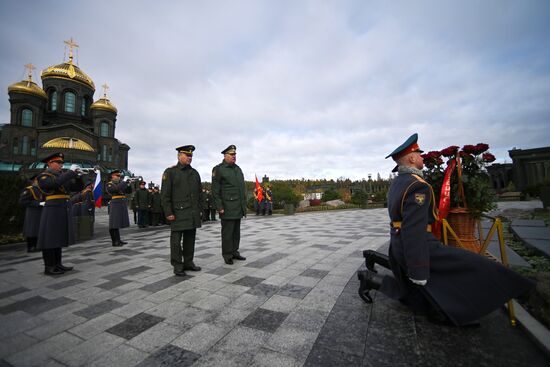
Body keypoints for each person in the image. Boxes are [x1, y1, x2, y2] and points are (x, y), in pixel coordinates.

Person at [357, 133, 534, 326]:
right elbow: (413, 231)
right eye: (419, 154)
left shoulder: (398, 183)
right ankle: (511, 290)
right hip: (418, 245)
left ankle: (372, 280)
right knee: (472, 264)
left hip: (400, 243)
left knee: (414, 297)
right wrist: (418, 270)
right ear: (412, 158)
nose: (422, 157)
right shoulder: (417, 187)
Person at [35, 152, 84, 275]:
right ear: (49, 163)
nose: (61, 165)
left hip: (62, 208)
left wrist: (78, 177)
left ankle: (58, 264)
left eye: (62, 163)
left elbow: (76, 188)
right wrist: (70, 173)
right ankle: (49, 266)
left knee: (58, 237)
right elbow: (53, 184)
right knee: (50, 238)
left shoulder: (62, 176)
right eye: (58, 162)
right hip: (52, 209)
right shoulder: (44, 176)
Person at [161, 145, 203, 276]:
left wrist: (199, 210)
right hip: (177, 213)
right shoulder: (170, 172)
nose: (190, 158)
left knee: (190, 240)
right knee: (176, 242)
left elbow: (199, 194)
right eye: (187, 155)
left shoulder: (195, 173)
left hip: (192, 213)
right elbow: (165, 195)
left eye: (191, 156)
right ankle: (177, 265)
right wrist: (168, 212)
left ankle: (188, 263)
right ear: (179, 156)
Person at [211, 145, 247, 265]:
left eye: (235, 155)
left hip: (238, 206)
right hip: (227, 207)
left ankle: (234, 251)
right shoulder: (219, 169)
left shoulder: (237, 169)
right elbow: (215, 190)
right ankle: (227, 254)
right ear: (225, 156)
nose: (234, 157)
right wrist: (219, 206)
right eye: (231, 155)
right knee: (227, 233)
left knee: (236, 232)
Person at [105, 170, 131, 247]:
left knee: (117, 223)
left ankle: (118, 240)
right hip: (115, 204)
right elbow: (114, 190)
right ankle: (114, 241)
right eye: (117, 176)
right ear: (112, 176)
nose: (119, 177)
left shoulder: (120, 184)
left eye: (119, 176)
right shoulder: (109, 184)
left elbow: (128, 191)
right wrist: (124, 182)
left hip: (121, 204)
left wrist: (128, 184)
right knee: (113, 223)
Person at [19, 174, 42, 253]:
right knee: (31, 230)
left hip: (40, 212)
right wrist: (38, 204)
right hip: (32, 213)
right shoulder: (29, 189)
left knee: (38, 230)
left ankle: (37, 246)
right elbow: (23, 201)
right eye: (38, 180)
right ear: (34, 180)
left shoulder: (41, 189)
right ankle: (31, 247)